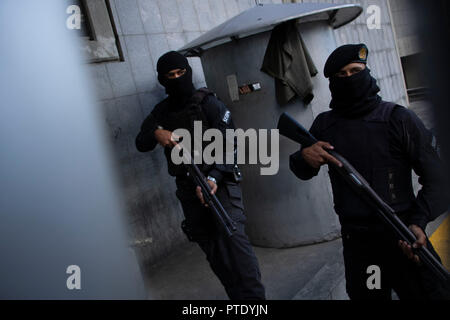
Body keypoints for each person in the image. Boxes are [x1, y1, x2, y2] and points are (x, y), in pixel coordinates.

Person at [290, 43, 449, 300]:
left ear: (367, 72)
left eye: (355, 71)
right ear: (332, 82)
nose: (350, 79)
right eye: (341, 75)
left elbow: (439, 180)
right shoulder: (324, 125)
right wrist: (304, 157)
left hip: (403, 235)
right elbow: (301, 170)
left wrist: (419, 222)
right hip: (359, 245)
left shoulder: (398, 119)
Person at [135, 51, 266, 300]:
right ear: (162, 80)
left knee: (236, 248)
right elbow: (140, 143)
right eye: (170, 75)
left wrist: (213, 177)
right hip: (188, 189)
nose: (176, 79)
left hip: (220, 185)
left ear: (188, 72)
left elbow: (231, 146)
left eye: (181, 73)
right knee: (214, 252)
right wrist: (156, 133)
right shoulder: (161, 112)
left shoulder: (209, 104)